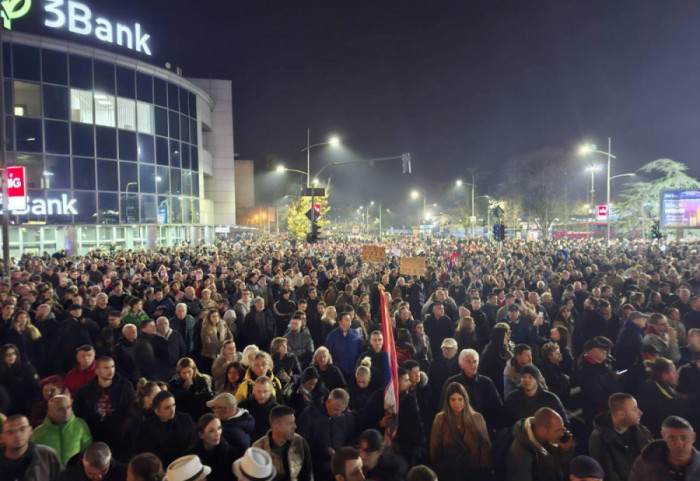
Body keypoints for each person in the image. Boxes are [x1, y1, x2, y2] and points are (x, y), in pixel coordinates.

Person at [430, 382, 492, 481]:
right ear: (448, 401)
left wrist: (483, 469)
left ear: (465, 400)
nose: (457, 403)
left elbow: (485, 445)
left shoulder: (477, 418)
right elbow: (435, 447)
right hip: (451, 471)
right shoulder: (440, 419)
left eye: (460, 399)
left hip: (473, 469)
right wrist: (440, 467)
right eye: (453, 400)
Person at [588, 393, 653, 481]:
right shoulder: (599, 439)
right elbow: (609, 475)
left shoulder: (637, 427)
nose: (640, 412)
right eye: (634, 409)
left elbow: (652, 454)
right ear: (621, 414)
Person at [73, 356, 134, 448]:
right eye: (106, 368)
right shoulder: (85, 391)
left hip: (119, 437)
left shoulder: (125, 387)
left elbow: (131, 410)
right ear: (97, 371)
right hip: (94, 436)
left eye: (112, 366)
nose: (111, 371)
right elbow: (79, 414)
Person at [298, 388, 356, 480]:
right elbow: (302, 443)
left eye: (342, 411)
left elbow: (351, 437)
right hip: (316, 467)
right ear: (328, 401)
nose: (338, 414)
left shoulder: (346, 416)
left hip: (339, 467)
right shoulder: (310, 415)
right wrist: (323, 450)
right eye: (336, 409)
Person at [440, 349, 503, 430]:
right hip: (456, 427)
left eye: (475, 361)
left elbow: (497, 407)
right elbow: (443, 407)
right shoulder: (452, 382)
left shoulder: (486, 382)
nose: (473, 365)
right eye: (468, 362)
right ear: (461, 364)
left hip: (482, 426)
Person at [507, 407, 574, 481]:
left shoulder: (546, 440)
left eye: (562, 428)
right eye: (558, 430)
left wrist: (564, 451)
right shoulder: (521, 455)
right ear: (543, 430)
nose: (562, 434)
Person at [252, 404, 314, 481]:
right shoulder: (258, 449)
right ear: (276, 427)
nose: (295, 426)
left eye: (294, 422)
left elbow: (307, 475)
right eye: (290, 423)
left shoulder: (300, 442)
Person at [135, 390, 196, 467]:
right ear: (157, 411)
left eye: (173, 405)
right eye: (167, 408)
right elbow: (144, 453)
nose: (172, 410)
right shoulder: (147, 427)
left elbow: (195, 443)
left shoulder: (185, 419)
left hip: (187, 464)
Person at [629, 416, 700, 481]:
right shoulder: (645, 463)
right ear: (663, 436)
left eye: (684, 438)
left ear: (693, 437)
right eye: (672, 437)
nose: (679, 443)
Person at [32, 394, 92, 466]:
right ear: (50, 412)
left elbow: (87, 452)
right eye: (60, 409)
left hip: (74, 473)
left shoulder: (80, 426)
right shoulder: (38, 433)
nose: (66, 412)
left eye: (68, 407)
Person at [636, 357, 690, 437]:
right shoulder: (651, 387)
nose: (677, 375)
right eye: (674, 372)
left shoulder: (659, 384)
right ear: (664, 375)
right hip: (656, 433)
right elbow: (670, 404)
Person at [0, 414, 62, 481]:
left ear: (30, 431)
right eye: (10, 432)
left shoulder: (46, 455)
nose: (17, 435)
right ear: (2, 437)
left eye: (22, 429)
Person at [577, 338, 619, 426]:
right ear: (590, 351)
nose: (605, 352)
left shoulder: (604, 363)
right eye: (601, 349)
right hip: (597, 411)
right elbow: (596, 394)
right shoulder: (586, 369)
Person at [188, 413, 239, 481]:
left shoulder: (231, 454)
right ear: (200, 434)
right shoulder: (191, 458)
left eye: (219, 428)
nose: (217, 433)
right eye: (211, 431)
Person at [168, 357, 214, 422]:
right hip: (184, 417)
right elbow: (176, 402)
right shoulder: (174, 384)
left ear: (193, 370)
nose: (187, 375)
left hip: (201, 414)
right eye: (184, 373)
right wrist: (185, 389)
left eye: (189, 372)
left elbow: (208, 398)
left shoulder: (202, 381)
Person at [0, 343, 40, 416]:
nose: (11, 356)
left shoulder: (26, 369)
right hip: (8, 409)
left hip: (25, 407)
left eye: (13, 353)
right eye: (7, 354)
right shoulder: (2, 372)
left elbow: (35, 389)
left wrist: (30, 406)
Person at [58, 442, 127, 481]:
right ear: (83, 463)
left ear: (110, 461)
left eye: (103, 472)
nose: (98, 478)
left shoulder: (124, 475)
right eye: (91, 473)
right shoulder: (68, 477)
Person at [326, 311, 364, 379]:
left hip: (354, 369)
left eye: (349, 319)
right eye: (346, 319)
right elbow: (329, 353)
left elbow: (361, 350)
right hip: (339, 371)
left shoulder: (356, 333)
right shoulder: (332, 336)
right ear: (340, 322)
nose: (349, 321)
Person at [239, 376, 279, 441]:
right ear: (253, 390)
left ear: (271, 391)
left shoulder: (277, 410)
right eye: (259, 391)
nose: (262, 395)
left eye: (265, 391)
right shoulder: (243, 406)